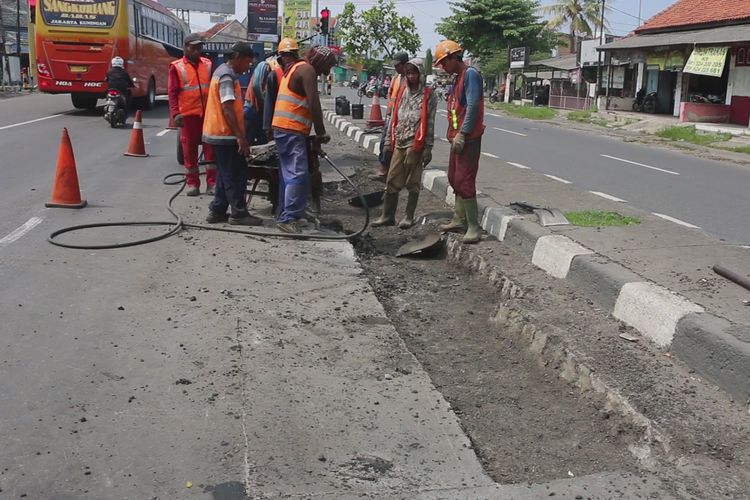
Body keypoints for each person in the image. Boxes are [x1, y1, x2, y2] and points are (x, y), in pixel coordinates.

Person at [272, 45, 336, 234]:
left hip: (284, 128)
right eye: (328, 66)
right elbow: (314, 104)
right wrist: (321, 131)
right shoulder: (307, 70)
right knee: (297, 174)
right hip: (291, 129)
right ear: (320, 62)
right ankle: (289, 218)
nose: (328, 71)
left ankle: (287, 213)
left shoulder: (295, 67)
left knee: (288, 174)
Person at [372, 58, 436, 229]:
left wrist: (428, 147)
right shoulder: (402, 91)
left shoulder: (429, 95)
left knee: (413, 181)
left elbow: (430, 122)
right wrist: (387, 141)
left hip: (416, 143)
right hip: (399, 139)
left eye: (414, 72)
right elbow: (394, 117)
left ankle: (408, 216)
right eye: (408, 73)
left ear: (421, 74)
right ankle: (387, 216)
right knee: (392, 179)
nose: (411, 76)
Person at [203, 42, 262, 226]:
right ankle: (238, 213)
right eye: (247, 63)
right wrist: (240, 136)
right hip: (225, 133)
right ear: (237, 57)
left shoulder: (222, 72)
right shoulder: (226, 76)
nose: (247, 68)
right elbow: (227, 108)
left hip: (219, 132)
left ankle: (218, 209)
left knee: (224, 173)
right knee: (234, 174)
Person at [434, 40, 485, 244]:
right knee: (454, 178)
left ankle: (473, 226)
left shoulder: (470, 75)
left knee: (465, 180)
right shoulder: (457, 79)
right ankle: (459, 218)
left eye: (444, 62)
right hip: (457, 137)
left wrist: (463, 133)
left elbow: (472, 107)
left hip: (469, 138)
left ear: (454, 57)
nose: (443, 67)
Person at [168, 33, 217, 196]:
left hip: (208, 115)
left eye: (199, 47)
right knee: (190, 152)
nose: (197, 50)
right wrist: (175, 114)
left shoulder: (208, 64)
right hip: (188, 116)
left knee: (211, 150)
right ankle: (193, 184)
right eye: (193, 47)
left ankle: (212, 184)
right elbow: (172, 92)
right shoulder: (177, 67)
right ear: (185, 47)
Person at [371, 52, 408, 181]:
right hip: (392, 115)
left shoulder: (410, 78)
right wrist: (389, 112)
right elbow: (391, 95)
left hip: (404, 117)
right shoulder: (396, 78)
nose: (396, 68)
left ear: (404, 64)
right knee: (385, 143)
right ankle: (384, 169)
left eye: (398, 65)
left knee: (399, 145)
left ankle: (392, 172)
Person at [262, 38, 300, 140]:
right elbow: (269, 101)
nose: (288, 58)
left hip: (296, 125)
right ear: (280, 57)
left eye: (290, 55)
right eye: (285, 55)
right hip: (279, 125)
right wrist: (267, 127)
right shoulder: (274, 75)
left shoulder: (300, 73)